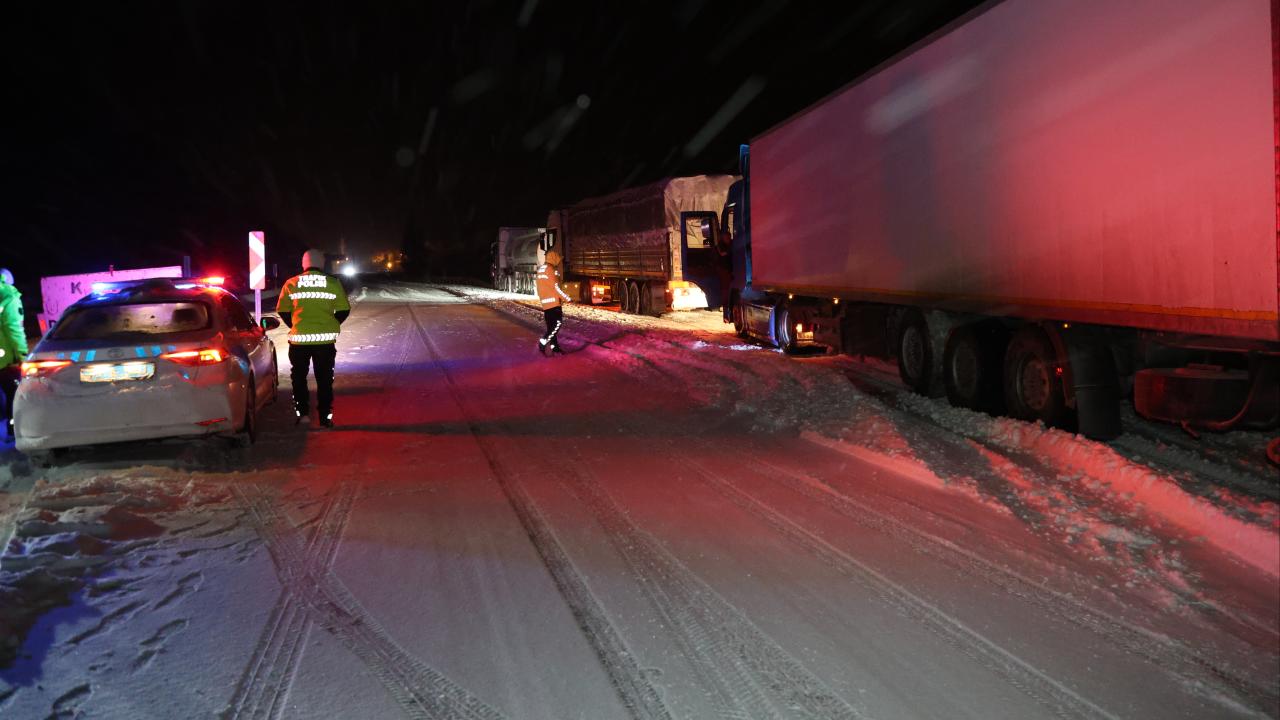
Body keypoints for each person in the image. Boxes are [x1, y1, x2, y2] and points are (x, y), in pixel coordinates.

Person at [276, 249, 350, 427]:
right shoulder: (333, 283)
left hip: (299, 341)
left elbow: (282, 310)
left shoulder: (291, 283)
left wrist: (295, 325)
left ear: (304, 263)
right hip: (325, 343)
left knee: (299, 378)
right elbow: (344, 309)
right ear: (322, 263)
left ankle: (302, 415)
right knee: (325, 380)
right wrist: (331, 322)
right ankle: (326, 418)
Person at [0, 269, 27, 441]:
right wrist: (23, 356)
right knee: (15, 395)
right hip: (5, 361)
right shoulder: (8, 295)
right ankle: (14, 430)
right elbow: (14, 329)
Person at [535, 249, 572, 356]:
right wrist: (567, 298)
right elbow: (556, 288)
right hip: (554, 304)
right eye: (558, 259)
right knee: (557, 325)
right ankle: (543, 342)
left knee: (551, 327)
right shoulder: (550, 269)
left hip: (546, 304)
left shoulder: (541, 269)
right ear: (553, 258)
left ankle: (554, 348)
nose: (559, 261)